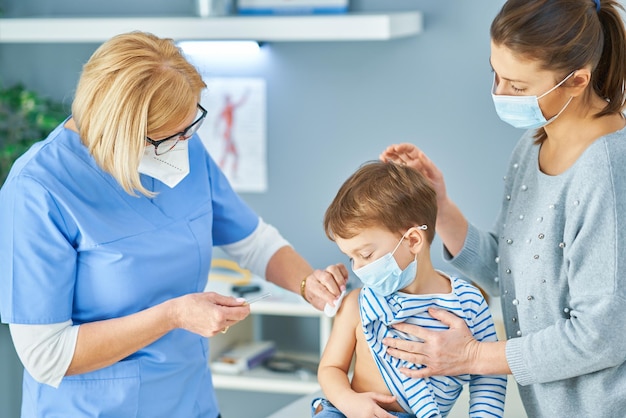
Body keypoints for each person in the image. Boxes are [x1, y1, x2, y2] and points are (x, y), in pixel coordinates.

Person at [0, 31, 347, 418]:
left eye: (191, 126)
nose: (185, 143)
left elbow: (253, 242)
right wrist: (173, 315)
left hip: (190, 403)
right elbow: (46, 355)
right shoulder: (37, 190)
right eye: (170, 136)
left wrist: (305, 283)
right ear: (121, 130)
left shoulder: (181, 147)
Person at [380, 0, 626, 416]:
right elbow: (507, 273)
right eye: (495, 73)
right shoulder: (533, 148)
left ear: (577, 81)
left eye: (517, 86)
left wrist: (472, 357)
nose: (499, 93)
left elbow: (602, 335)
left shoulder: (608, 172)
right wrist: (440, 205)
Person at [314, 161, 507, 418]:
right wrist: (348, 402)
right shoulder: (358, 303)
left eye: (366, 254)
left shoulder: (467, 303)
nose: (359, 269)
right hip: (348, 411)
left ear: (413, 240)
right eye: (352, 258)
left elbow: (489, 378)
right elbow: (330, 368)